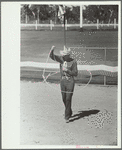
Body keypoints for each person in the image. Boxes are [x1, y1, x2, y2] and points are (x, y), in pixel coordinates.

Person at [49, 46, 78, 123]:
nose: (63, 56)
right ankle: (69, 111)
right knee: (64, 98)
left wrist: (67, 70)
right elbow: (52, 56)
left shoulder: (73, 62)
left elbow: (75, 73)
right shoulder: (61, 59)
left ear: (68, 55)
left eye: (65, 55)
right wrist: (52, 50)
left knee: (68, 98)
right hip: (62, 81)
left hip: (70, 81)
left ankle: (67, 116)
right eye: (63, 55)